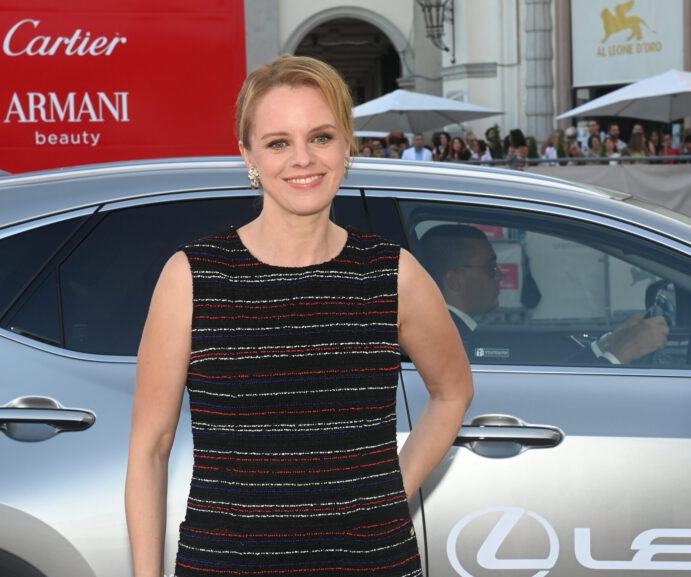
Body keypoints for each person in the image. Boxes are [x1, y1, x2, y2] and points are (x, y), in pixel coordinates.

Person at [126, 55, 474, 577]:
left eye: (321, 137)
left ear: (347, 145)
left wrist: (382, 498)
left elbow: (454, 392)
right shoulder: (194, 277)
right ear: (248, 154)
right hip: (227, 566)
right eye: (278, 142)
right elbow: (150, 450)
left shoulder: (392, 274)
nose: (303, 159)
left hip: (371, 565)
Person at [420, 224, 667, 365]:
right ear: (454, 280)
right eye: (491, 268)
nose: (501, 276)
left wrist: (609, 344)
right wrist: (618, 355)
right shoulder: (450, 344)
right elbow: (539, 397)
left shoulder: (453, 334)